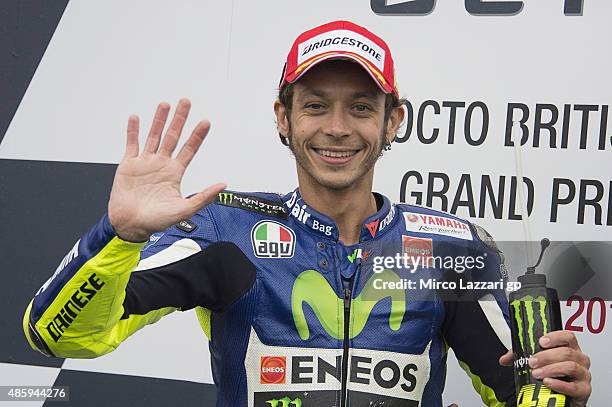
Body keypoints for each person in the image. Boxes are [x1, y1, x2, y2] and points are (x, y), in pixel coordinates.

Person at [23, 20, 591, 407]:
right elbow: (57, 337)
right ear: (283, 118)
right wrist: (116, 237)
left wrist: (558, 387)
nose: (338, 128)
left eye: (361, 108)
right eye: (316, 105)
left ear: (392, 121)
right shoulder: (227, 231)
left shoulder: (452, 247)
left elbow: (520, 395)